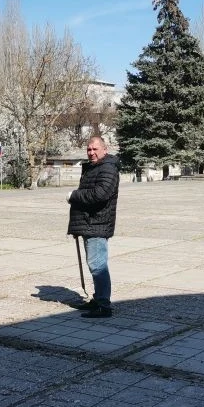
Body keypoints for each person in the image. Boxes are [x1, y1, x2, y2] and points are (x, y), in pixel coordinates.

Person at [68, 136, 120, 318]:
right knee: (95, 264)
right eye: (89, 149)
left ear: (105, 150)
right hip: (89, 223)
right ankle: (98, 299)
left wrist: (74, 196)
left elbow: (100, 194)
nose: (91, 153)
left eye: (95, 149)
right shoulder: (94, 167)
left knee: (98, 265)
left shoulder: (108, 168)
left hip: (98, 223)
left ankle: (103, 306)